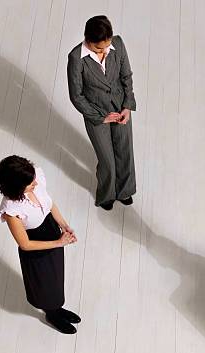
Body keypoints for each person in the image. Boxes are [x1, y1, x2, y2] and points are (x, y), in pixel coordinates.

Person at [0, 155, 81, 334]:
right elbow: (25, 244)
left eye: (33, 178)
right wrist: (58, 242)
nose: (35, 183)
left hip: (51, 232)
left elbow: (50, 205)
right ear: (17, 187)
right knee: (45, 284)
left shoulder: (36, 178)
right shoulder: (11, 209)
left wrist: (64, 226)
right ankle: (52, 313)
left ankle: (57, 308)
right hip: (37, 247)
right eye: (30, 183)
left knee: (56, 277)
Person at [67, 15, 136, 211]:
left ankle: (125, 190)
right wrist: (100, 117)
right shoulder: (76, 58)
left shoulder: (118, 44)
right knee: (107, 158)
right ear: (87, 39)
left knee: (125, 151)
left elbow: (126, 77)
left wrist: (127, 106)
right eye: (99, 48)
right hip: (95, 114)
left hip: (120, 107)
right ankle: (107, 194)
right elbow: (76, 96)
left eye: (107, 45)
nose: (105, 50)